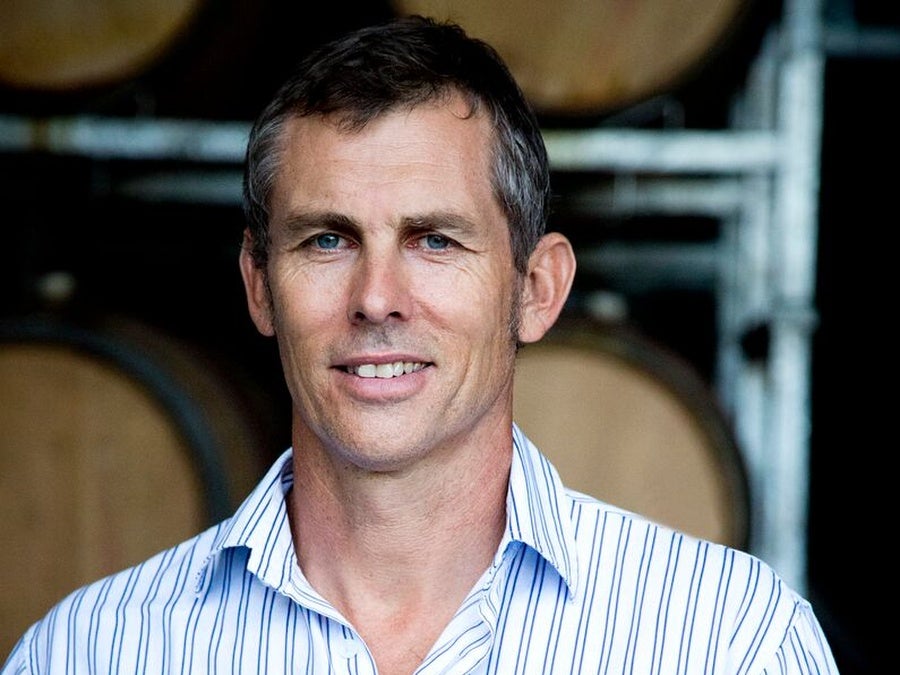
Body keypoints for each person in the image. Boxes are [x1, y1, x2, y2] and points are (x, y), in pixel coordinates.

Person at [2, 15, 838, 675]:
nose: (375, 299)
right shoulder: (90, 652)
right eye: (327, 240)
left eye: (435, 240)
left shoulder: (726, 643)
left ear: (536, 289)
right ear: (259, 285)